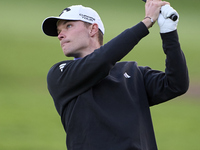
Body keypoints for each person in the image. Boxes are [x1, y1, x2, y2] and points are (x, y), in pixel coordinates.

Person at [42, 0, 189, 149]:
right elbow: (102, 59)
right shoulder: (60, 74)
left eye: (68, 26)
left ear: (93, 29)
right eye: (59, 31)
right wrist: (147, 21)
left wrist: (169, 32)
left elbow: (176, 85)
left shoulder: (133, 72)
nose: (60, 35)